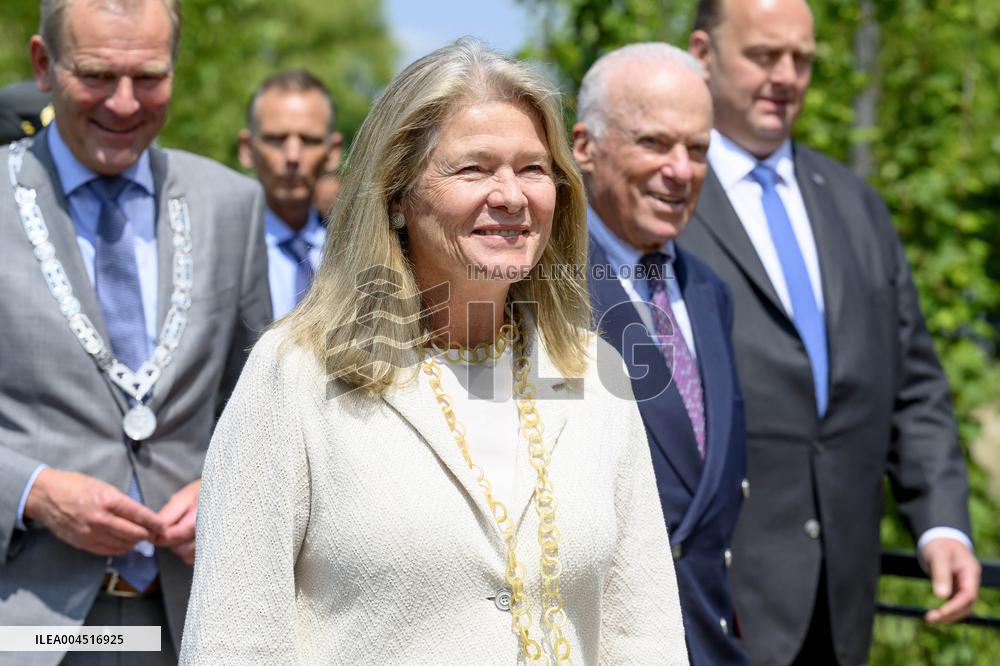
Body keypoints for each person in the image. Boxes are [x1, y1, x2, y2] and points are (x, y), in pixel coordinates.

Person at [180, 39, 688, 664]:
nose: (511, 195)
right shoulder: (295, 373)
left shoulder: (594, 372)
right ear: (397, 193)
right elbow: (232, 641)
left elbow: (644, 635)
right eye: (474, 169)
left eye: (533, 168)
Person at [683, 0, 981, 664]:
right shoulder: (666, 203)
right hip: (714, 608)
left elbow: (915, 386)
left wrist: (941, 523)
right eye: (764, 56)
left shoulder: (856, 205)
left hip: (841, 610)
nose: (786, 76)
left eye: (802, 59)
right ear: (703, 54)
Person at [0, 0, 271, 663]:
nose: (124, 104)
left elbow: (261, 406)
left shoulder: (231, 205)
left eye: (149, 78)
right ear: (43, 64)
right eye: (96, 75)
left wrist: (227, 490)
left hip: (192, 620)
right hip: (29, 622)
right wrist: (32, 490)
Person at [573, 43, 749, 665]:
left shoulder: (708, 292)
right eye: (654, 143)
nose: (680, 170)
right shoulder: (542, 289)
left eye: (697, 150)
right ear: (585, 147)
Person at [239, 69, 342, 319]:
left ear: (333, 152)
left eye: (309, 140)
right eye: (276, 139)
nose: (293, 156)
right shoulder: (220, 252)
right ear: (247, 149)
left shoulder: (355, 251)